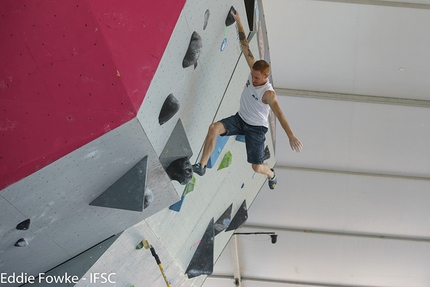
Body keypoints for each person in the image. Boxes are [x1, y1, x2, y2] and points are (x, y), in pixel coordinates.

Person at [192, 11, 302, 189]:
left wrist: (291, 136)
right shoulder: (254, 69)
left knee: (257, 167)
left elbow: (280, 115)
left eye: (257, 78)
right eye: (252, 75)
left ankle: (271, 174)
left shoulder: (268, 94)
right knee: (213, 128)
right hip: (240, 118)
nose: (253, 79)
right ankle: (202, 166)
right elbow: (245, 45)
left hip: (256, 129)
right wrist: (239, 21)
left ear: (266, 76)